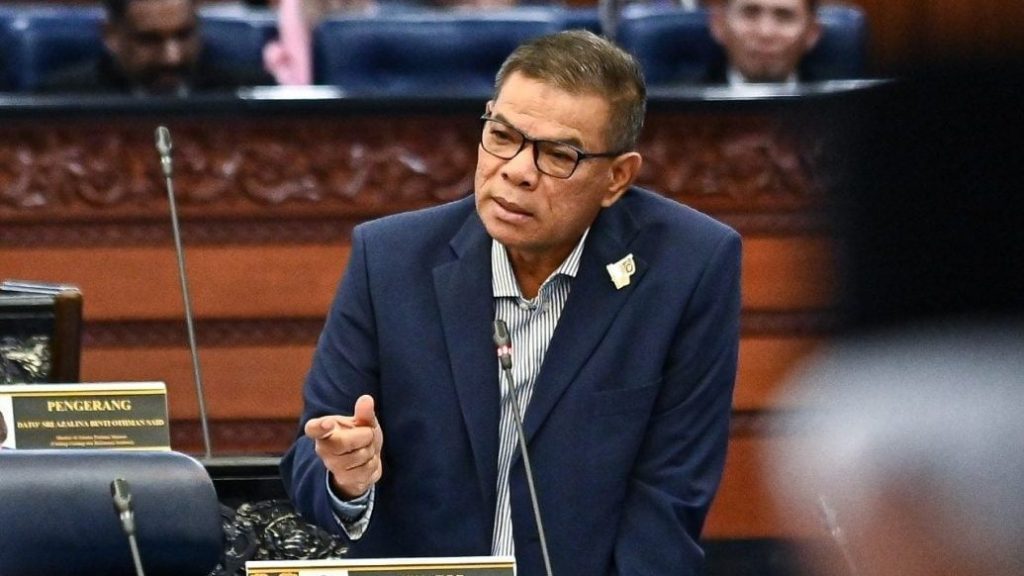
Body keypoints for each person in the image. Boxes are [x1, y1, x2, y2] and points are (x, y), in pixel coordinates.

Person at [281, 30, 741, 574]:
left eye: (558, 155)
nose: (518, 170)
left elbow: (670, 498)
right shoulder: (388, 261)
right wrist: (347, 477)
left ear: (617, 178)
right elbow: (309, 462)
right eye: (502, 136)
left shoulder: (689, 267)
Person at [39, 0, 272, 95]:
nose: (172, 57)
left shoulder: (250, 92)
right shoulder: (61, 100)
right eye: (150, 40)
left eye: (184, 35)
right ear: (111, 35)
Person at [708, 0, 821, 85]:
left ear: (812, 32)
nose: (765, 33)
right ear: (719, 24)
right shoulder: (696, 96)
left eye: (784, 16)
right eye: (750, 13)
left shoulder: (831, 102)